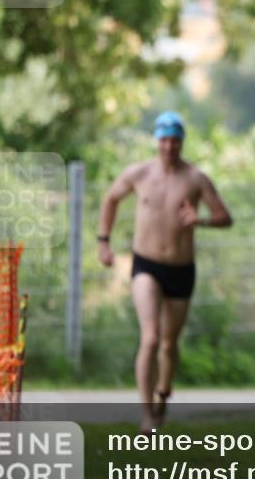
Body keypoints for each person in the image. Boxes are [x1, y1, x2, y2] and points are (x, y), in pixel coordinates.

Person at [97, 111, 233, 432]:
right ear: (156, 141)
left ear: (181, 142)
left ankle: (163, 393)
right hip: (145, 265)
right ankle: (147, 415)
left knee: (169, 344)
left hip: (181, 269)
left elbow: (224, 217)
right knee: (151, 337)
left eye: (175, 141)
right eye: (164, 140)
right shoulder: (138, 174)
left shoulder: (196, 179)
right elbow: (111, 199)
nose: (169, 147)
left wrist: (199, 220)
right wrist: (104, 242)